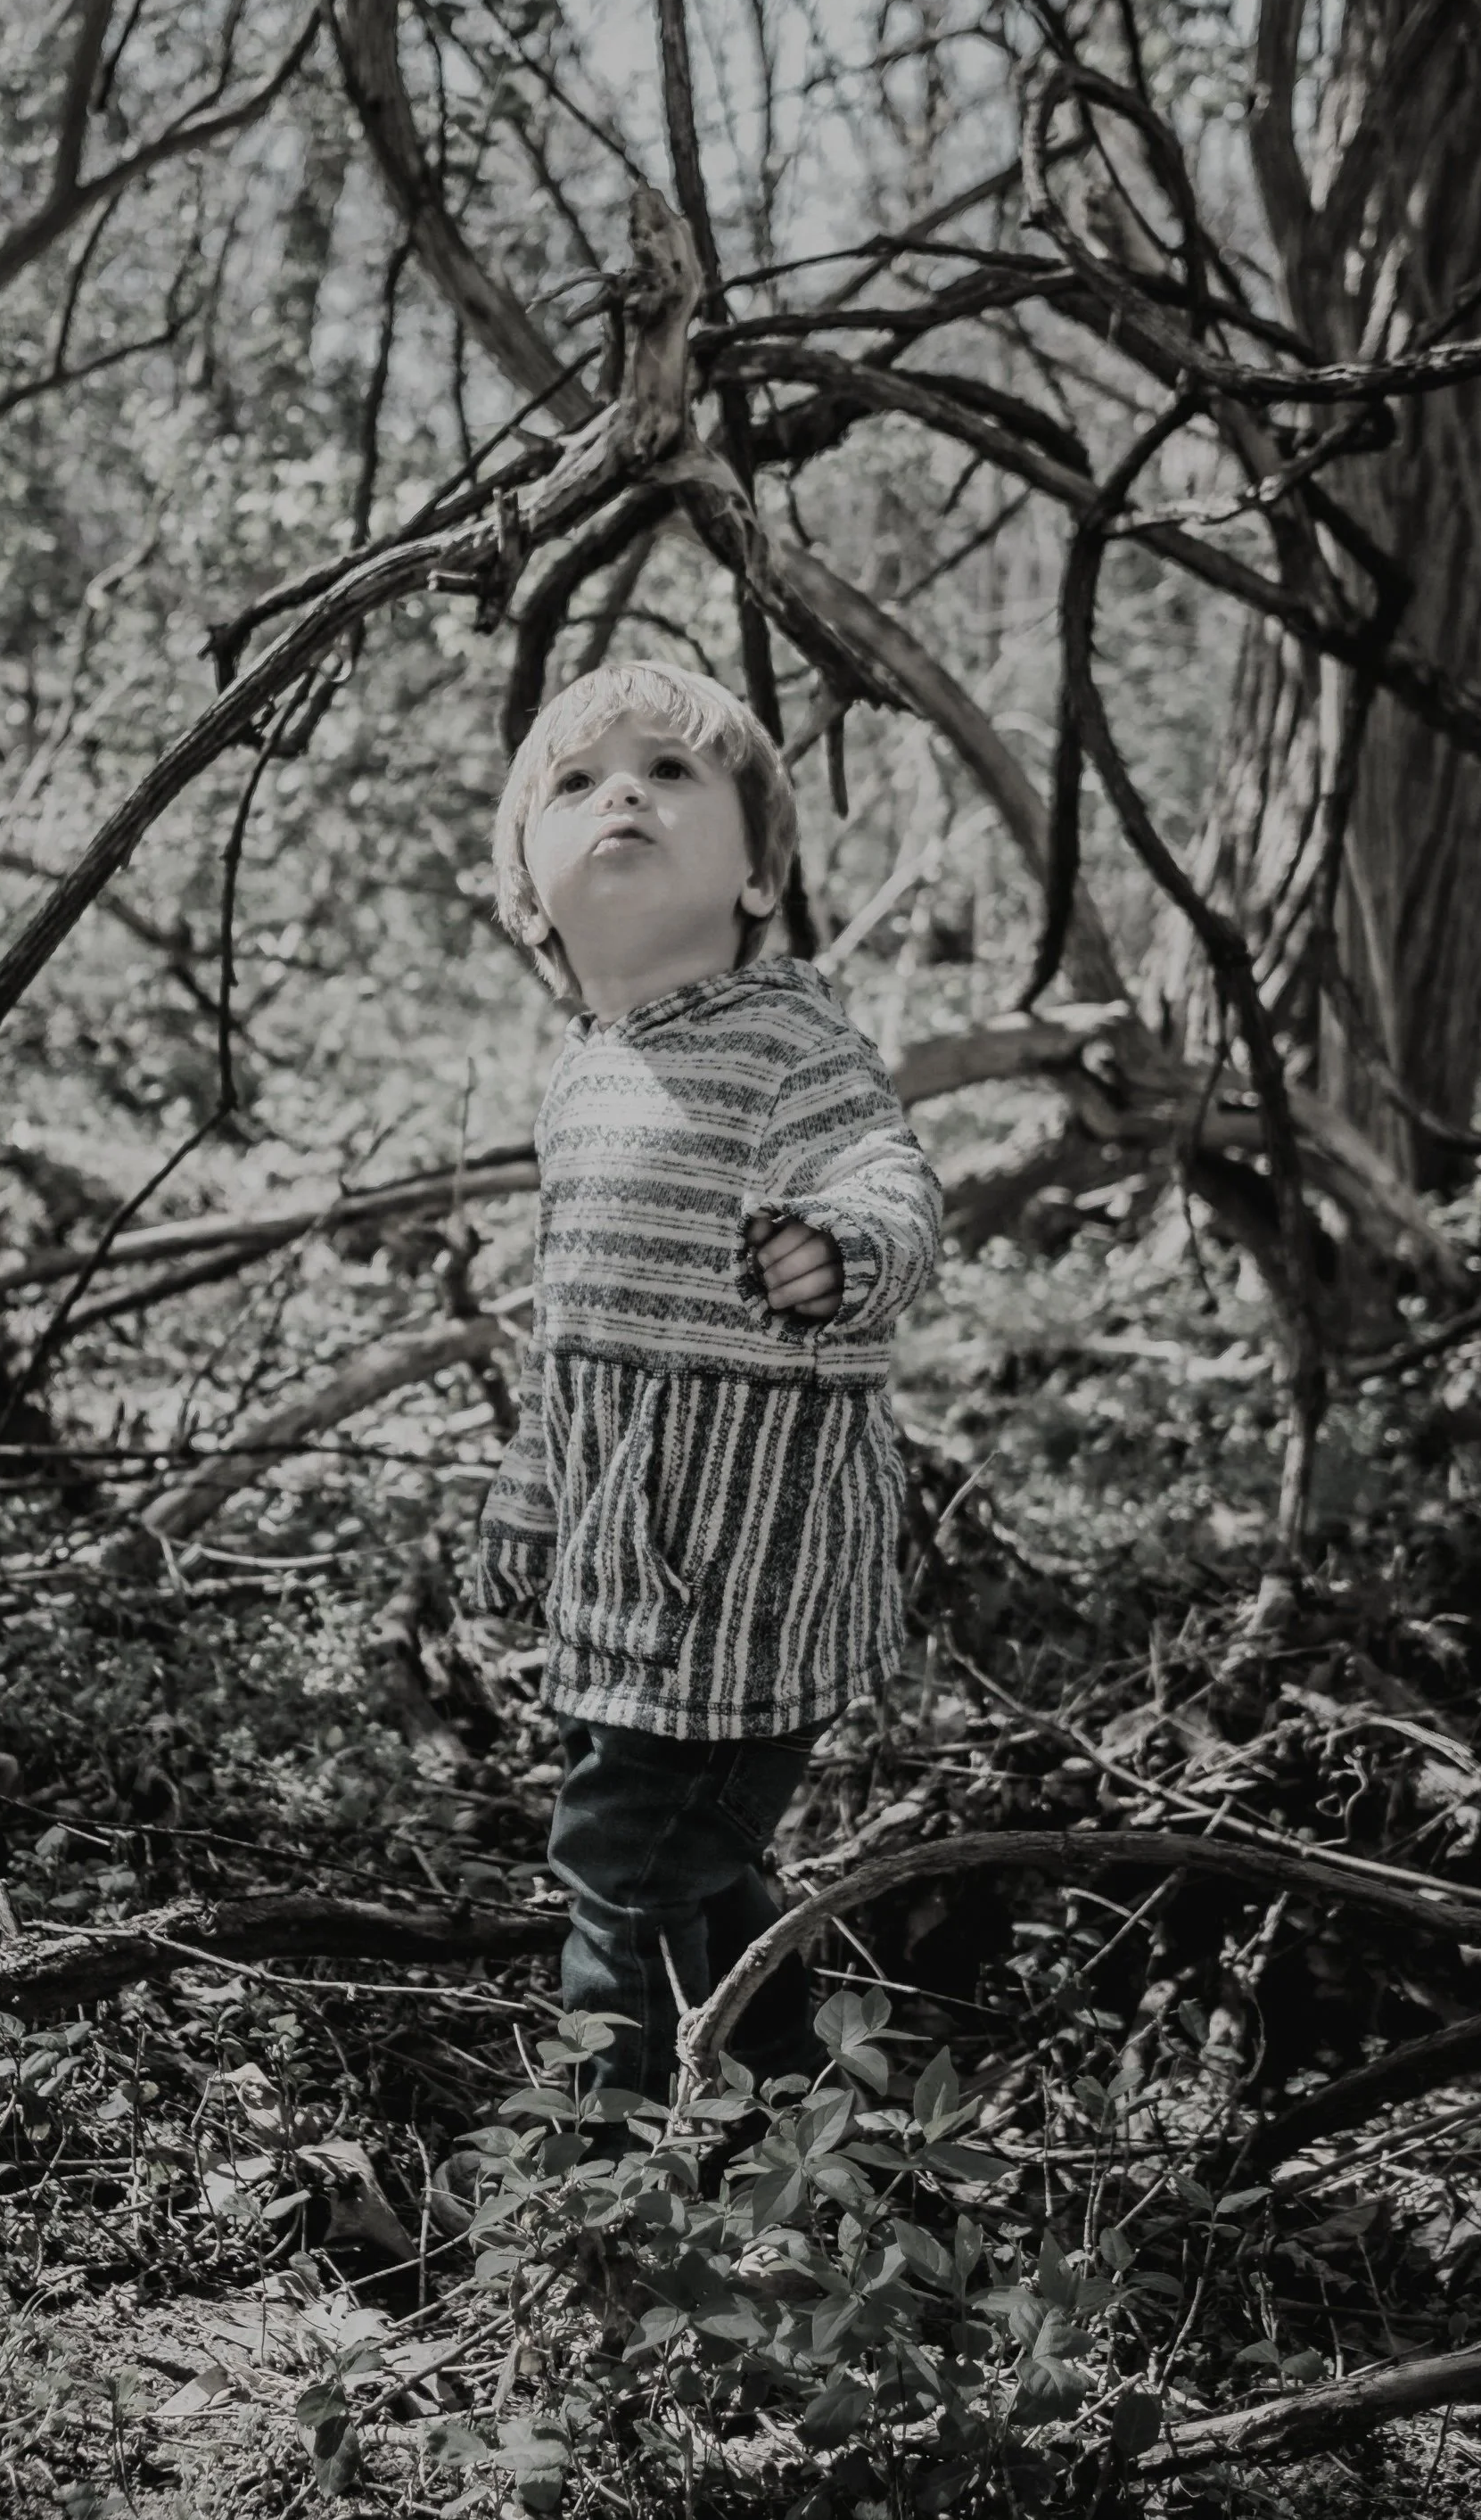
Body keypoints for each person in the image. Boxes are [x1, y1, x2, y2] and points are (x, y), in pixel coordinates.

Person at [462, 657, 942, 2108]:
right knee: (699, 1867)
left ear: (756, 878)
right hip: (639, 1574)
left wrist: (844, 1249)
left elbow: (892, 1179)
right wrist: (531, 1497)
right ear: (529, 894)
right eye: (577, 778)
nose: (622, 790)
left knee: (619, 1860)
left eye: (670, 774)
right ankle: (808, 2117)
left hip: (761, 1573)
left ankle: (589, 2189)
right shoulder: (581, 1078)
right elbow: (573, 1342)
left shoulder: (788, 1043)